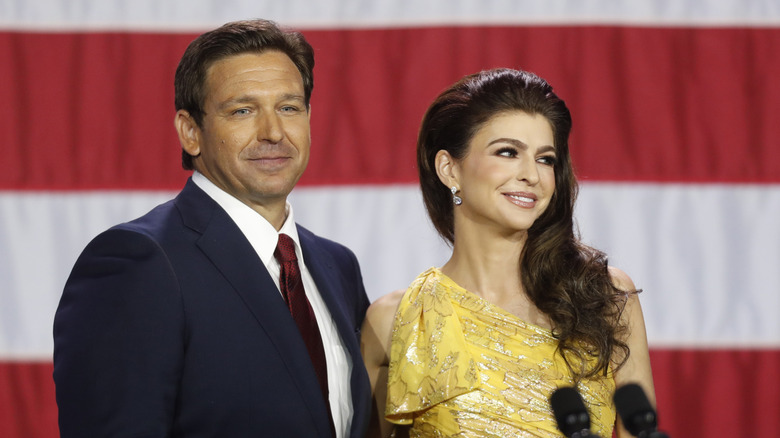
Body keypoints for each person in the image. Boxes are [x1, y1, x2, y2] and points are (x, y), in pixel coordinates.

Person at [53, 19, 371, 438]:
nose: (273, 132)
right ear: (190, 132)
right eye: (242, 111)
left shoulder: (336, 264)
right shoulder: (138, 261)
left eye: (289, 107)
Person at [361, 68, 655, 437]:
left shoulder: (603, 296)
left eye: (546, 159)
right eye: (508, 152)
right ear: (449, 169)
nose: (531, 174)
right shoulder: (398, 320)